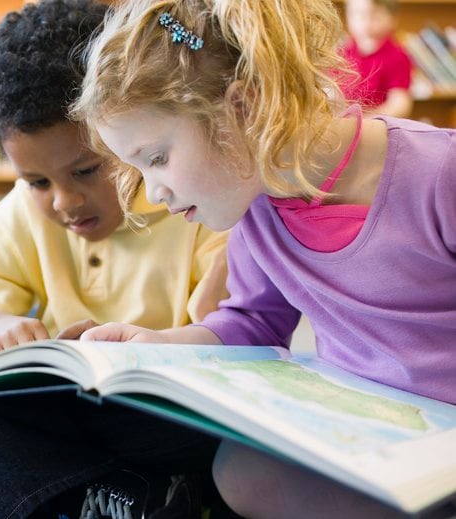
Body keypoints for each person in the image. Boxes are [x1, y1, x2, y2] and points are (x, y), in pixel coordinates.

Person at [69, 0, 455, 517]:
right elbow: (252, 323)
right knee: (240, 473)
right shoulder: (256, 204)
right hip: (373, 438)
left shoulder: (439, 174)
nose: (154, 192)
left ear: (243, 109)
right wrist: (158, 344)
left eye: (156, 158)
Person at [0, 0, 231, 517]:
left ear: (127, 135)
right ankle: (98, 496)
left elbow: (232, 345)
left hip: (154, 412)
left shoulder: (192, 199)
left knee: (219, 438)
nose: (64, 201)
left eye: (86, 170)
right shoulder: (26, 212)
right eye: (38, 182)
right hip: (63, 409)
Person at [340, 0, 413, 117]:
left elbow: (400, 104)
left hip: (377, 124)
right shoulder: (340, 52)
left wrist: (366, 119)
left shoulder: (397, 56)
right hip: (342, 122)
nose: (365, 21)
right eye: (357, 13)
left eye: (374, 14)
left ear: (392, 19)